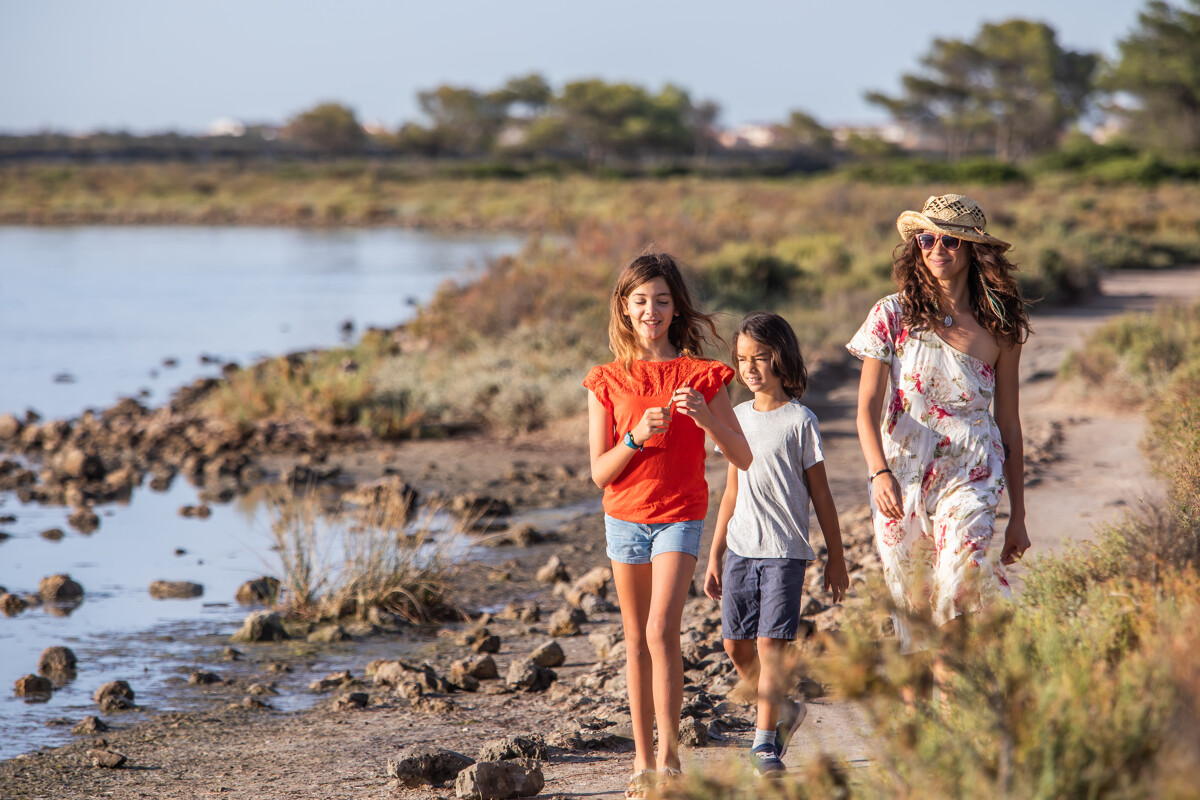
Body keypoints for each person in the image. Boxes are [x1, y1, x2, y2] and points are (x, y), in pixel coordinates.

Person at [584, 252, 752, 799]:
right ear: (625, 309)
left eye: (661, 300)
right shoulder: (607, 380)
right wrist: (633, 436)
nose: (652, 310)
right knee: (635, 640)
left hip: (679, 514)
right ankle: (641, 762)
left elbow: (742, 455)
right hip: (624, 518)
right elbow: (598, 473)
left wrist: (704, 417)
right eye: (641, 301)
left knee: (661, 631)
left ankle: (671, 758)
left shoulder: (703, 375)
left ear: (676, 306)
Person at [847, 194, 1032, 652]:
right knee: (912, 606)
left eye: (950, 240)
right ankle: (918, 716)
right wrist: (878, 472)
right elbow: (867, 407)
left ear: (973, 250)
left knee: (959, 588)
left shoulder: (1001, 325)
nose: (936, 249)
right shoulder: (891, 314)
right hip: (902, 473)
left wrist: (1019, 517)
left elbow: (1008, 423)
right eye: (927, 239)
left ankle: (954, 714)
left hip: (973, 471)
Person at [703, 311, 849, 776]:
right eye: (743, 358)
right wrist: (715, 551)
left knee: (770, 646)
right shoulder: (736, 416)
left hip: (785, 551)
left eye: (761, 358)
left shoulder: (800, 421)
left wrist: (836, 558)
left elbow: (821, 494)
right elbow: (731, 490)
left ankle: (765, 744)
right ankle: (783, 709)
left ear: (781, 359)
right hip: (741, 550)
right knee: (735, 646)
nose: (750, 368)